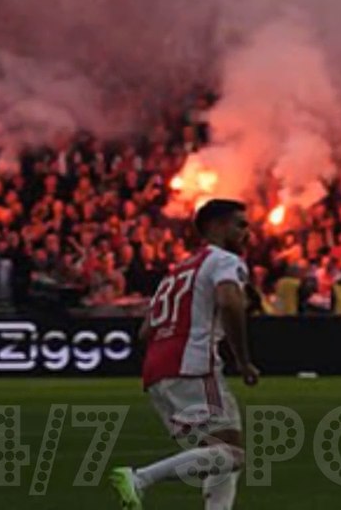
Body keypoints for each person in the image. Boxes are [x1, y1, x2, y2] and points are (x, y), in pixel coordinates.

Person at [107, 199, 259, 510]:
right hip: (193, 365)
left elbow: (145, 330)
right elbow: (230, 303)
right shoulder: (222, 261)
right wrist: (242, 359)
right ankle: (140, 478)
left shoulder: (177, 271)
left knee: (219, 452)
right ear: (217, 226)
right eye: (240, 224)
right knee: (231, 454)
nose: (246, 231)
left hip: (158, 372)